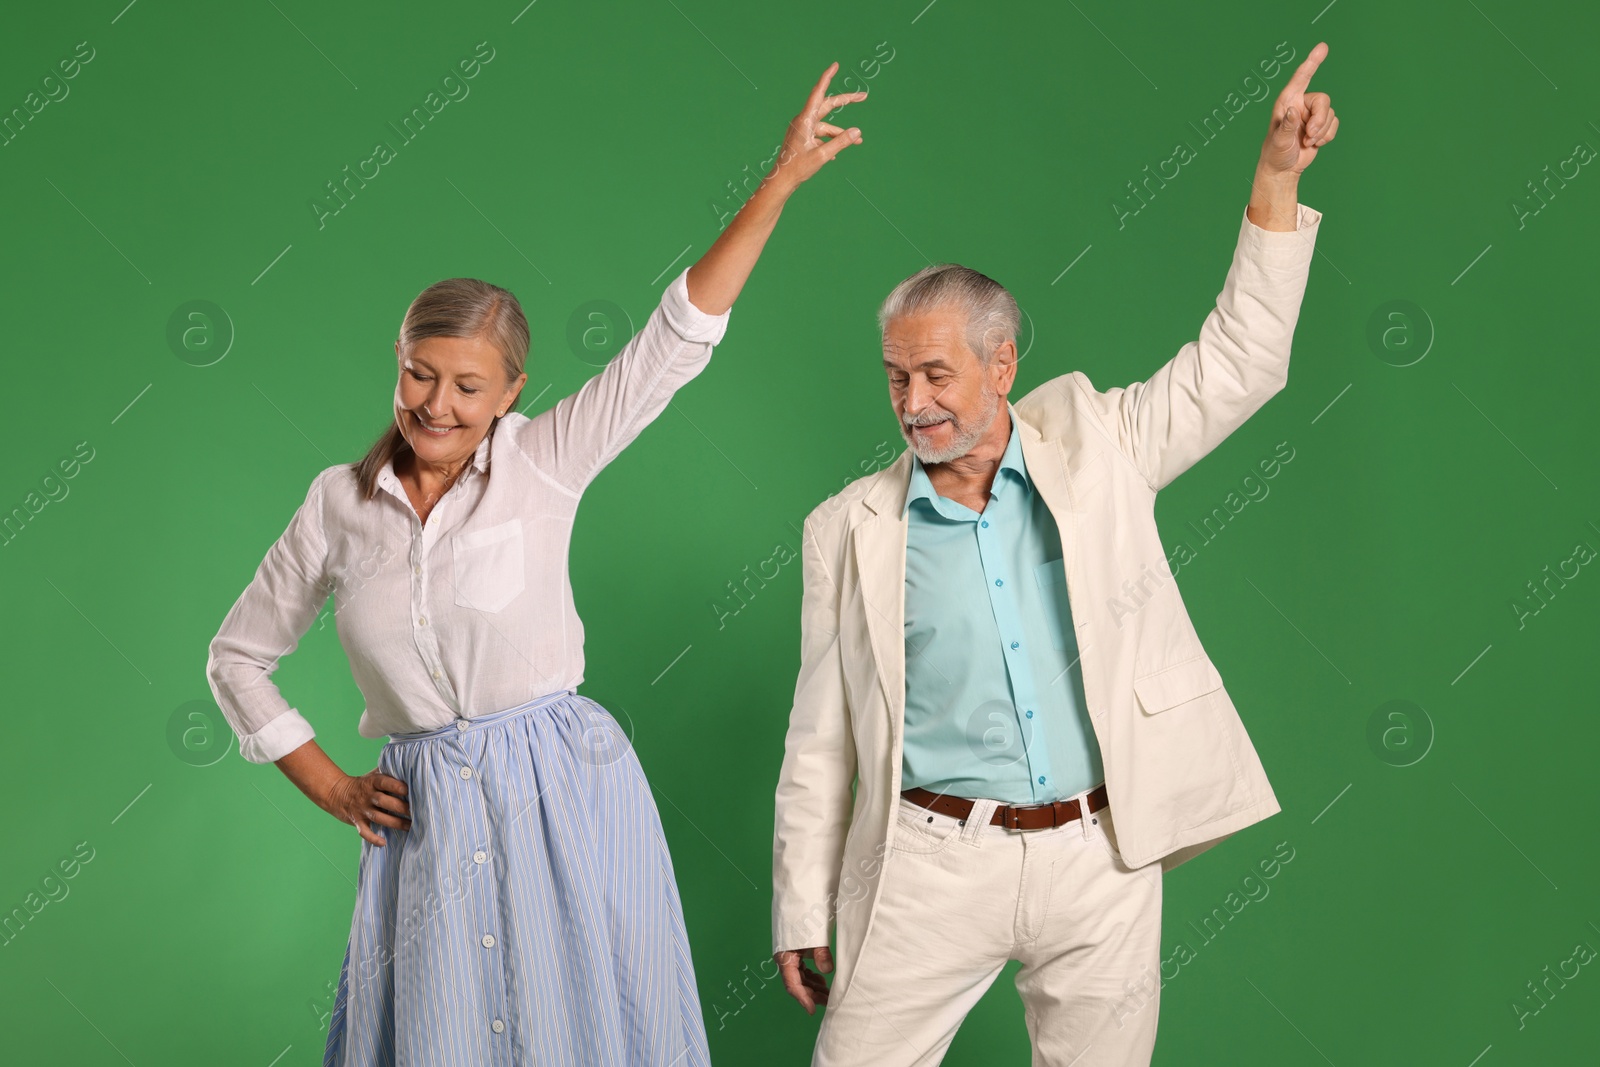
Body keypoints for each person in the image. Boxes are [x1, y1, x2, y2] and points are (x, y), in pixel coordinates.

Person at [205, 63, 867, 1067]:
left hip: (566, 791)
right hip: (423, 819)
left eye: (467, 386)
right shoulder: (335, 505)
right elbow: (236, 657)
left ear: (513, 390)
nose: (435, 403)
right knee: (444, 1034)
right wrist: (334, 785)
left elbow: (671, 343)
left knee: (589, 1026)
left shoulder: (545, 461)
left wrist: (774, 185)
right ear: (396, 360)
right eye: (417, 374)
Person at [770, 42, 1338, 1067]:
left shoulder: (1104, 444)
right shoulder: (844, 529)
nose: (912, 402)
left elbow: (1240, 360)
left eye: (935, 374)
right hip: (928, 862)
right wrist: (797, 903)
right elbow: (820, 737)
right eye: (895, 378)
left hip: (1100, 853)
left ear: (1001, 364)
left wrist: (1274, 178)